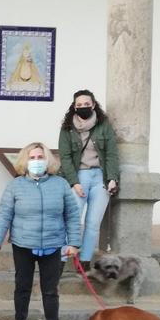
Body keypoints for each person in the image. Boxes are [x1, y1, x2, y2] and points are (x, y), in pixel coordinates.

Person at [0, 142, 81, 320]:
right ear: (25, 161)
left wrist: (74, 243)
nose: (37, 161)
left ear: (48, 161)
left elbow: (72, 215)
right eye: (32, 158)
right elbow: (4, 214)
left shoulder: (61, 185)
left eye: (40, 157)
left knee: (50, 292)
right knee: (22, 289)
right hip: (23, 244)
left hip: (52, 244)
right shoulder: (15, 186)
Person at [57, 89, 120, 269]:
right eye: (79, 105)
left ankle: (84, 261)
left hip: (100, 176)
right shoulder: (67, 128)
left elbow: (111, 153)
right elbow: (66, 157)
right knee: (72, 219)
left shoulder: (103, 125)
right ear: (74, 107)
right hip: (79, 176)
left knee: (93, 222)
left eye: (87, 104)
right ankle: (61, 259)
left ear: (93, 105)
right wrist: (74, 182)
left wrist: (112, 178)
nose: (83, 107)